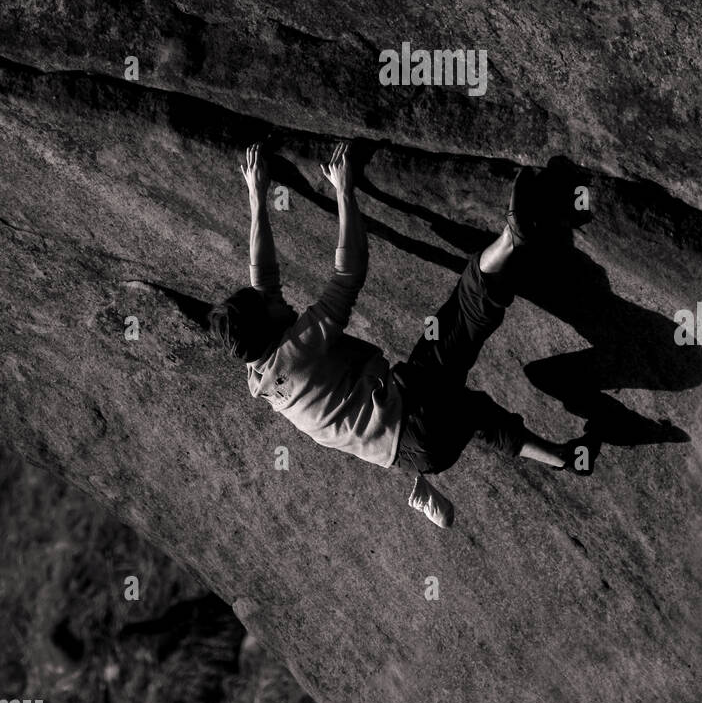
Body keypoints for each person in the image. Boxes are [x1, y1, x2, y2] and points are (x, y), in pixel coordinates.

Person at [208, 139, 586, 528]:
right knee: (464, 312)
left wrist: (257, 196)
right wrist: (344, 192)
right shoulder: (298, 350)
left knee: (475, 413)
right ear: (269, 328)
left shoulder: (260, 374)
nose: (280, 302)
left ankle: (562, 458)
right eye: (271, 306)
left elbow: (264, 283)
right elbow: (348, 274)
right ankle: (513, 236)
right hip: (416, 411)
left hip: (415, 453)